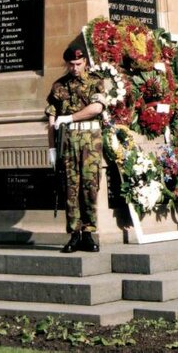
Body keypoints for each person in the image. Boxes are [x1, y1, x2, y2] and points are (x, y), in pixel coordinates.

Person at [46, 45, 105, 253]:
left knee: (90, 185)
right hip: (68, 142)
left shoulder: (95, 81)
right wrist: (52, 149)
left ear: (85, 63)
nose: (74, 68)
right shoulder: (59, 86)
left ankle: (88, 233)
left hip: (90, 141)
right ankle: (74, 234)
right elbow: (52, 120)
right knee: (71, 187)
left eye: (78, 64)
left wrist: (70, 117)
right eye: (71, 64)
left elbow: (97, 108)